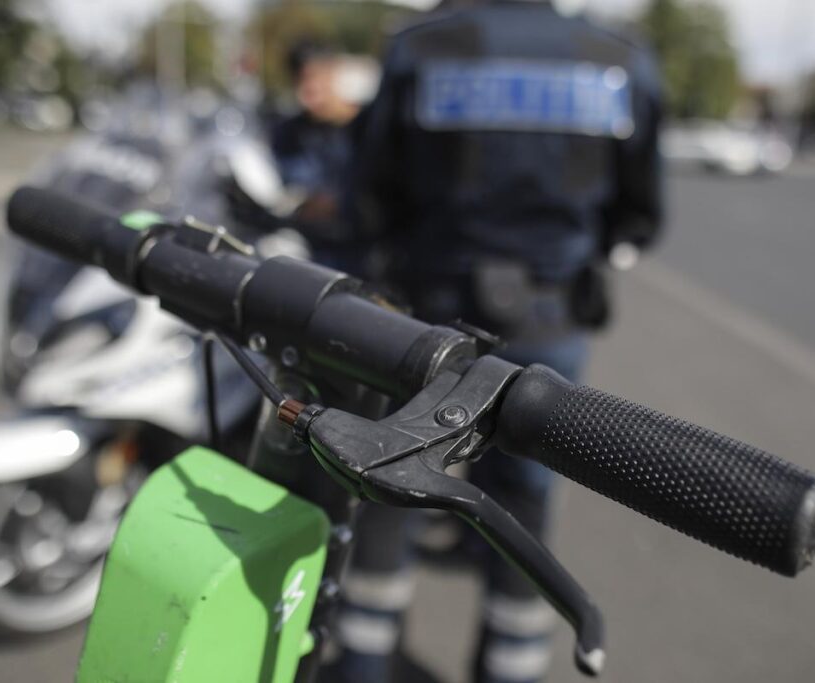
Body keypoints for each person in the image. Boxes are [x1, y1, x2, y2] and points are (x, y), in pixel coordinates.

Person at [335, 2, 664, 682]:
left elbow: (367, 189)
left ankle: (363, 662)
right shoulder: (617, 60)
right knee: (522, 508)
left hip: (422, 323)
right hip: (550, 318)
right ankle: (510, 668)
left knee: (393, 481)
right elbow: (640, 212)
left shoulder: (423, 48)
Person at [271, 40, 362, 272]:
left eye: (314, 78)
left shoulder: (367, 128)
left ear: (333, 73)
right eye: (300, 80)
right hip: (308, 255)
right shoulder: (288, 133)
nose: (308, 90)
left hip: (362, 254)